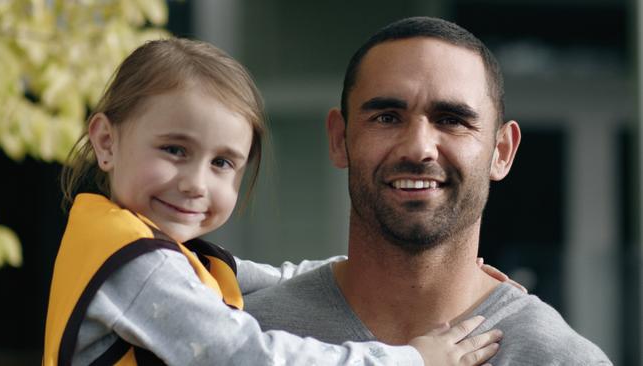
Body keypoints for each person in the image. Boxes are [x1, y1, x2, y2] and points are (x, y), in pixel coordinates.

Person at [42, 37, 505, 366]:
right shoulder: (136, 267)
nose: (195, 183)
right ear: (105, 142)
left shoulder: (137, 245)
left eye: (222, 163)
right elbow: (252, 358)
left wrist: (445, 274)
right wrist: (411, 360)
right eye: (174, 151)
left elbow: (273, 277)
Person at [244, 16, 613, 365]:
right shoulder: (244, 335)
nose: (418, 148)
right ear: (340, 139)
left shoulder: (559, 358)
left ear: (501, 152)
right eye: (387, 117)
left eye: (451, 120)